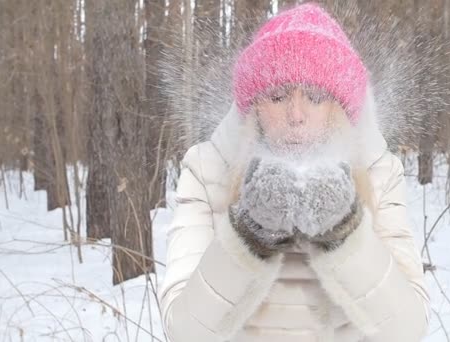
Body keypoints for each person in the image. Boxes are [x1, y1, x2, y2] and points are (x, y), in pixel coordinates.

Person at [157, 3, 430, 341]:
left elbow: (409, 330)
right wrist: (248, 234)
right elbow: (183, 331)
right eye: (278, 95)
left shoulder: (378, 171)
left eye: (314, 97)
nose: (296, 114)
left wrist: (344, 233)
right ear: (255, 105)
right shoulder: (206, 168)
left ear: (337, 108)